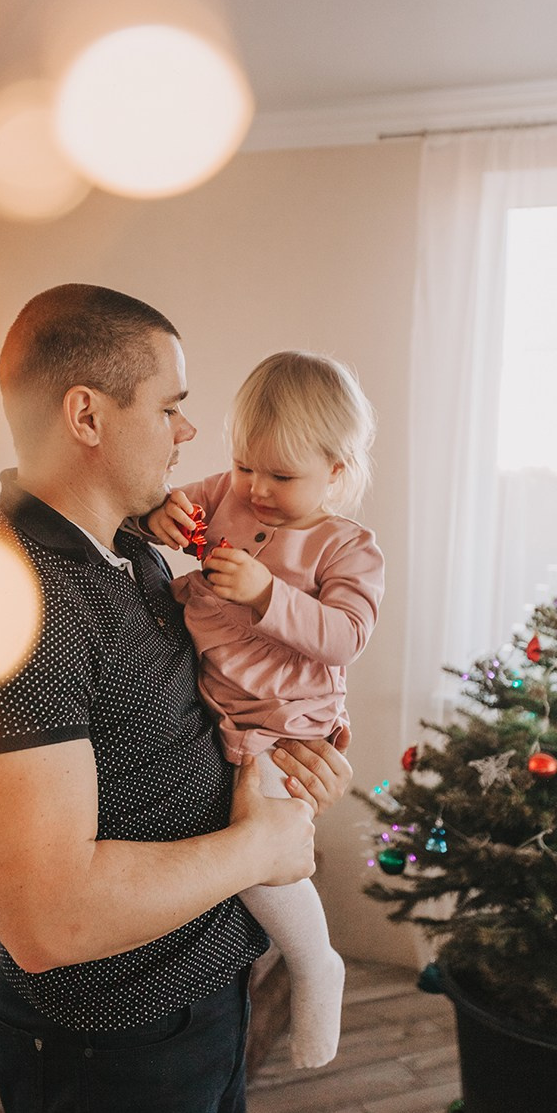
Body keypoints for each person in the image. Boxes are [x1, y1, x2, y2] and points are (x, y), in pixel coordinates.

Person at [0, 284, 353, 1113]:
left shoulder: (128, 551)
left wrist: (297, 769)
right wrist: (259, 849)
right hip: (112, 1046)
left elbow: (188, 724)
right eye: (170, 407)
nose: (188, 434)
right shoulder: (3, 602)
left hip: (205, 1000)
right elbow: (49, 920)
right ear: (87, 414)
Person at [143, 351, 384, 1069]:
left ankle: (316, 962)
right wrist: (163, 511)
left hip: (286, 728)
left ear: (336, 471)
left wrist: (265, 596)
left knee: (259, 853)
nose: (256, 489)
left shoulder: (346, 546)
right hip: (220, 709)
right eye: (247, 465)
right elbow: (169, 506)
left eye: (281, 476)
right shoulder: (228, 495)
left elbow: (345, 637)